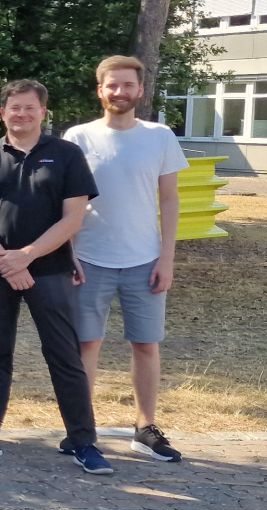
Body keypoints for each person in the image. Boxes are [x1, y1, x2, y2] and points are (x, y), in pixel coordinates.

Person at [0, 79, 110, 475]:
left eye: (29, 107)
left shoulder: (66, 155)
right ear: (2, 113)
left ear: (43, 111)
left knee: (64, 356)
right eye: (13, 108)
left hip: (50, 271)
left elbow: (73, 218)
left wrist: (26, 257)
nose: (21, 114)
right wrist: (6, 262)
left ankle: (82, 441)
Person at [64, 55, 189, 463]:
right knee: (87, 344)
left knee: (146, 345)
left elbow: (169, 201)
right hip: (89, 259)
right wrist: (70, 253)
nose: (120, 92)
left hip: (145, 260)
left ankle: (145, 427)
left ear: (140, 90)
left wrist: (166, 259)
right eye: (111, 85)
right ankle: (81, 429)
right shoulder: (78, 137)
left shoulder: (160, 136)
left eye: (127, 85)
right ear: (100, 90)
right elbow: (66, 203)